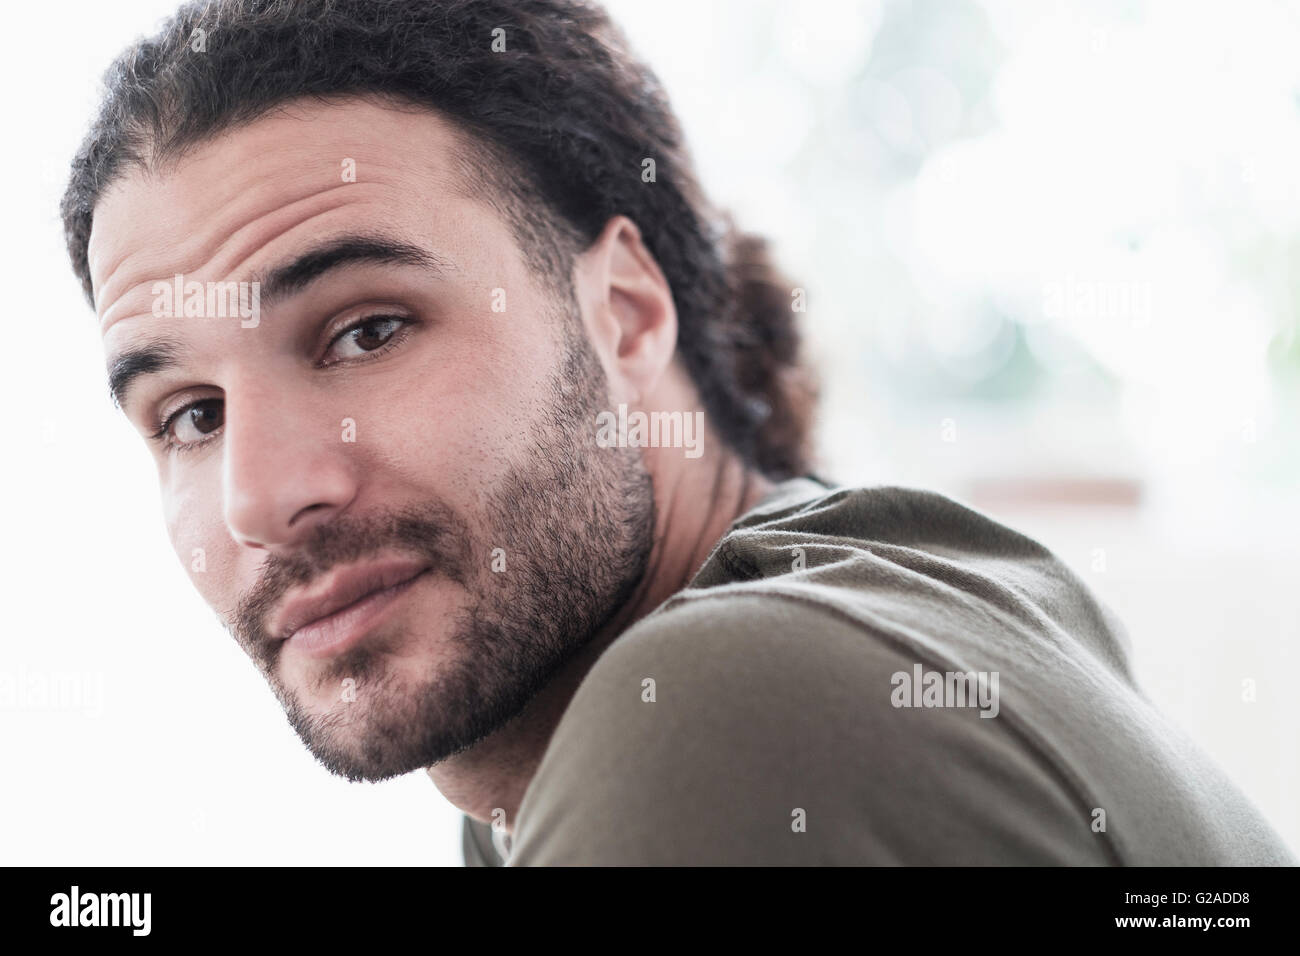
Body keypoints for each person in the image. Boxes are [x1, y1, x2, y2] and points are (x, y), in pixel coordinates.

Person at [62, 0, 1295, 866]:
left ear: (627, 310)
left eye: (366, 331)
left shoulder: (720, 711)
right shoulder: (822, 631)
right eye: (189, 414)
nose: (260, 495)